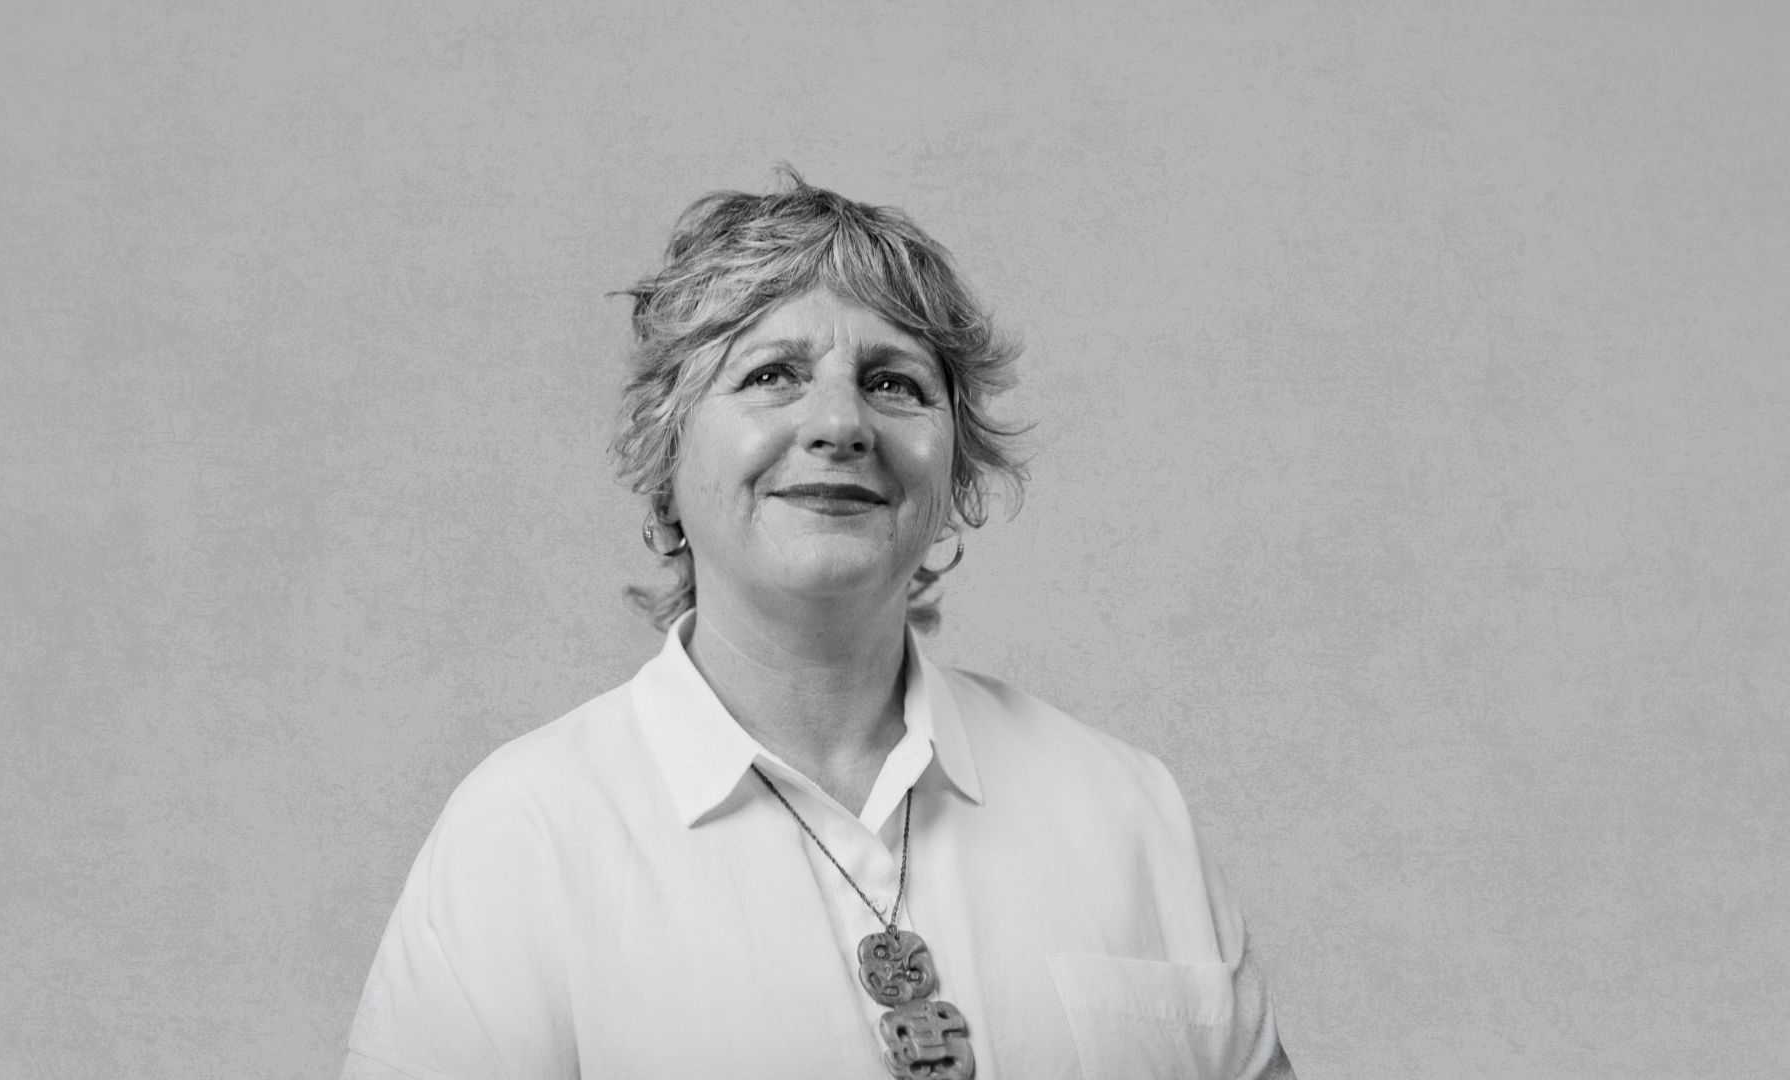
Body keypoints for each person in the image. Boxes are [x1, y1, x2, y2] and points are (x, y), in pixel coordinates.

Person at [340, 171, 1293, 1080]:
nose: (840, 423)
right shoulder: (525, 837)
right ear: (664, 461)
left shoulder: (1130, 810)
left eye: (893, 383)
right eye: (770, 375)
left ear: (955, 475)